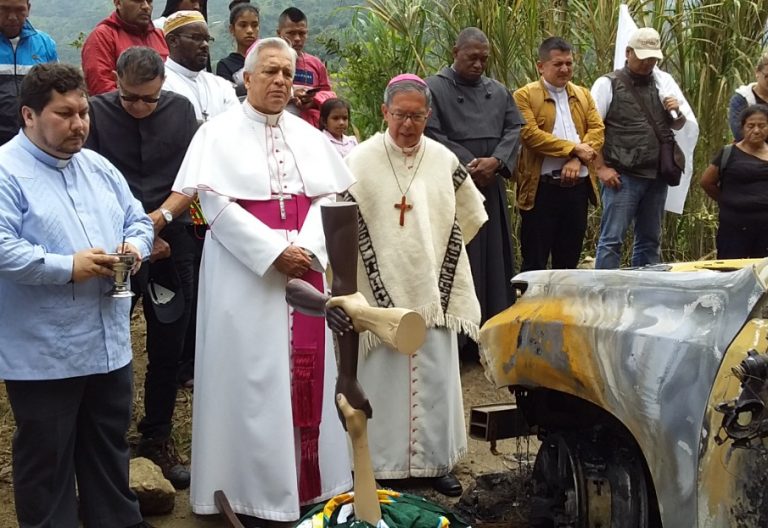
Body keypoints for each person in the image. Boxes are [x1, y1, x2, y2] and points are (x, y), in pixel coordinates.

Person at [172, 37, 355, 522]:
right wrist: (273, 252)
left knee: (307, 375)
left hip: (305, 270)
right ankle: (251, 491)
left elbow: (328, 198)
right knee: (250, 376)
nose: (279, 81)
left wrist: (308, 250)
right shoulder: (216, 134)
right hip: (243, 272)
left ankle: (311, 484)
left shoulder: (310, 136)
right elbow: (212, 204)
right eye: (269, 72)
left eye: (287, 73)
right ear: (247, 78)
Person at [0, 63, 154, 528]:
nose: (79, 124)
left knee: (108, 445)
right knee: (47, 458)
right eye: (64, 114)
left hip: (108, 341)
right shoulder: (7, 171)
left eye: (84, 112)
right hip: (45, 349)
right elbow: (3, 247)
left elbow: (138, 219)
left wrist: (135, 247)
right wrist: (69, 267)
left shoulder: (97, 166)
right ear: (29, 115)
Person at [344, 74, 487, 497]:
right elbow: (339, 220)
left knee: (435, 375)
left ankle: (434, 464)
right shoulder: (358, 161)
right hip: (375, 293)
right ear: (384, 112)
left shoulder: (443, 159)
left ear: (429, 115)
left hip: (432, 290)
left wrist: (433, 255)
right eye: (400, 115)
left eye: (418, 116)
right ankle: (378, 465)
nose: (408, 124)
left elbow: (469, 215)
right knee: (379, 379)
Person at [85, 46, 198, 490]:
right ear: (115, 82)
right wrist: (137, 239)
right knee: (108, 339)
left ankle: (157, 436)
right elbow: (89, 183)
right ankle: (105, 438)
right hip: (117, 246)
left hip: (175, 238)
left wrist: (162, 225)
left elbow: (193, 177)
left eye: (148, 99)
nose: (138, 108)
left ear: (163, 88)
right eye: (129, 97)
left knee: (169, 343)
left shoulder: (181, 111)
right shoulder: (96, 113)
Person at [425, 27, 523, 359]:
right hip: (453, 186)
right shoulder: (434, 88)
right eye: (472, 57)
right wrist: (468, 164)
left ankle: (491, 334)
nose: (479, 64)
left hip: (490, 184)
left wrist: (495, 162)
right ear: (455, 51)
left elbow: (515, 128)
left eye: (484, 58)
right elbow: (431, 131)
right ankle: (458, 339)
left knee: (494, 260)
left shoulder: (498, 90)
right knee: (459, 258)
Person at [591, 27, 691, 269]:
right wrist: (601, 168)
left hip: (656, 176)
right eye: (644, 57)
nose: (649, 63)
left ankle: (643, 296)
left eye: (653, 58)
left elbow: (678, 123)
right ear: (628, 53)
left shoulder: (663, 82)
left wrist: (674, 108)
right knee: (611, 240)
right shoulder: (608, 84)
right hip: (623, 176)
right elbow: (592, 129)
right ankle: (604, 297)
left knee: (649, 241)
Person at [513, 37, 605, 271]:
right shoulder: (524, 96)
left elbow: (597, 130)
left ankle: (564, 308)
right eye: (558, 64)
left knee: (569, 259)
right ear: (540, 66)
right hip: (541, 190)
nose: (565, 69)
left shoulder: (583, 94)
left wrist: (576, 159)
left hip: (577, 190)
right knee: (535, 260)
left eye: (569, 63)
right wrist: (573, 148)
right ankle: (532, 308)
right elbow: (530, 135)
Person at [700, 104, 768, 258]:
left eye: (762, 125)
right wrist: (728, 200)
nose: (756, 130)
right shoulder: (729, 153)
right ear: (743, 127)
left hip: (765, 229)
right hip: (733, 228)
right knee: (730, 273)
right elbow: (706, 182)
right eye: (751, 125)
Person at [162, 10, 238, 123]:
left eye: (207, 39)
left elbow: (237, 125)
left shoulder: (221, 85)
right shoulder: (160, 84)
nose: (205, 45)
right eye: (196, 38)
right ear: (173, 41)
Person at [0, 0, 58, 146]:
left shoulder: (45, 43)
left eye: (20, 10)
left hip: (33, 138)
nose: (12, 17)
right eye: (4, 9)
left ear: (28, 9)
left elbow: (56, 90)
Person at [81, 0, 168, 96]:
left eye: (150, 1)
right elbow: (101, 86)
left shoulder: (159, 35)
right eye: (138, 1)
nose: (146, 6)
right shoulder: (102, 36)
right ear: (118, 3)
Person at [277, 6, 334, 128]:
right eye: (291, 33)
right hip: (280, 127)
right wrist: (292, 95)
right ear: (279, 34)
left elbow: (329, 94)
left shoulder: (316, 64)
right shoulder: (271, 62)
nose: (297, 39)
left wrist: (313, 100)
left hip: (312, 129)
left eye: (302, 33)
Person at [216, 2, 259, 98]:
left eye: (254, 25)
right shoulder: (225, 65)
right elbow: (227, 96)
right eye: (243, 25)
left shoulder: (267, 59)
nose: (250, 31)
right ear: (232, 29)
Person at [728, 54, 768, 141]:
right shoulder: (741, 99)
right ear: (757, 72)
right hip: (750, 152)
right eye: (767, 76)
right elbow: (739, 133)